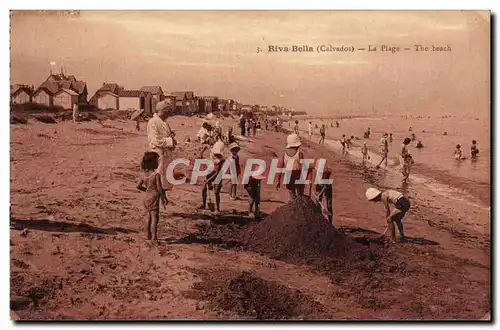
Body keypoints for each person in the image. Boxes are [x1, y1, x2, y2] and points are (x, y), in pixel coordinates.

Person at [136, 152, 168, 242]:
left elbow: (137, 186)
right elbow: (159, 188)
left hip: (146, 197)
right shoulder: (155, 175)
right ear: (153, 163)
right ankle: (154, 237)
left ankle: (148, 235)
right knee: (154, 218)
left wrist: (146, 190)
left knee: (148, 217)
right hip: (154, 197)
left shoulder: (143, 175)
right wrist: (164, 198)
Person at [147, 101, 176, 190]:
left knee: (165, 181)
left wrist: (171, 138)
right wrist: (170, 141)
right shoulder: (153, 122)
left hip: (166, 154)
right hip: (158, 153)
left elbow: (167, 137)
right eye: (168, 112)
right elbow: (155, 140)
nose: (169, 115)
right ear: (163, 111)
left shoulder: (165, 123)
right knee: (158, 179)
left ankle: (163, 198)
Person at [276, 133, 305, 201]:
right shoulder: (299, 154)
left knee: (292, 197)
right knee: (300, 197)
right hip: (298, 176)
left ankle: (294, 208)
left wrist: (278, 181)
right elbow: (303, 168)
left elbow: (280, 168)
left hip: (289, 177)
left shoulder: (284, 154)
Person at [199, 144, 225, 214]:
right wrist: (202, 152)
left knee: (216, 192)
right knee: (204, 189)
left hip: (218, 175)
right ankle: (204, 204)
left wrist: (208, 180)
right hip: (210, 173)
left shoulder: (221, 160)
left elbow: (217, 173)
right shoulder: (212, 156)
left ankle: (217, 209)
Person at [310, 159, 333, 224]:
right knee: (317, 203)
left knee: (329, 205)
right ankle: (319, 221)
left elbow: (326, 186)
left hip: (327, 187)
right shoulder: (316, 170)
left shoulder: (327, 173)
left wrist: (319, 195)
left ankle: (330, 224)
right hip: (319, 185)